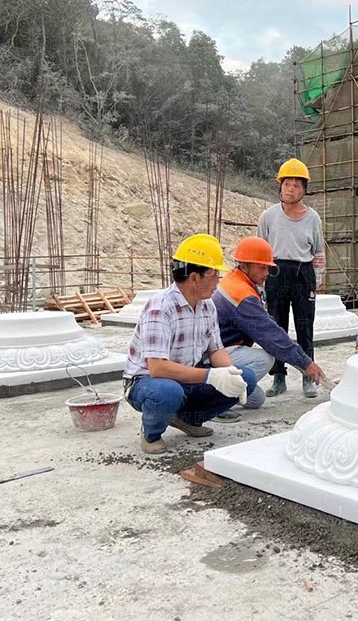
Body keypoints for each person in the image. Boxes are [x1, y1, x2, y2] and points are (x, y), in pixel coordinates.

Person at [123, 233, 257, 455]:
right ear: (195, 277)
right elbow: (157, 368)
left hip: (186, 378)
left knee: (245, 378)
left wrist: (229, 373)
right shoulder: (161, 308)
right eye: (215, 275)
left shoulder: (207, 306)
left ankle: (186, 419)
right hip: (148, 382)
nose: (218, 281)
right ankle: (151, 433)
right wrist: (210, 376)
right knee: (168, 392)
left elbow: (216, 349)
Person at [213, 236, 328, 414]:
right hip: (215, 355)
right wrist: (306, 363)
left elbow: (267, 326)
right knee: (265, 358)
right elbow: (272, 336)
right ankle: (211, 402)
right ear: (244, 265)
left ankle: (221, 393)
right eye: (262, 267)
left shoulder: (237, 281)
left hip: (222, 350)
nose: (267, 272)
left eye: (268, 267)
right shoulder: (241, 294)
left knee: (256, 399)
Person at [258, 158, 326, 398]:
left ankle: (308, 378)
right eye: (287, 183)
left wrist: (315, 281)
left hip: (303, 274)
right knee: (276, 327)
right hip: (275, 273)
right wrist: (261, 285)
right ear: (280, 186)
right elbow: (260, 251)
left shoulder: (313, 218)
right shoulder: (268, 217)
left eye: (297, 185)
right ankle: (278, 377)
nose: (291, 189)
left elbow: (318, 252)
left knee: (305, 327)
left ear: (304, 189)